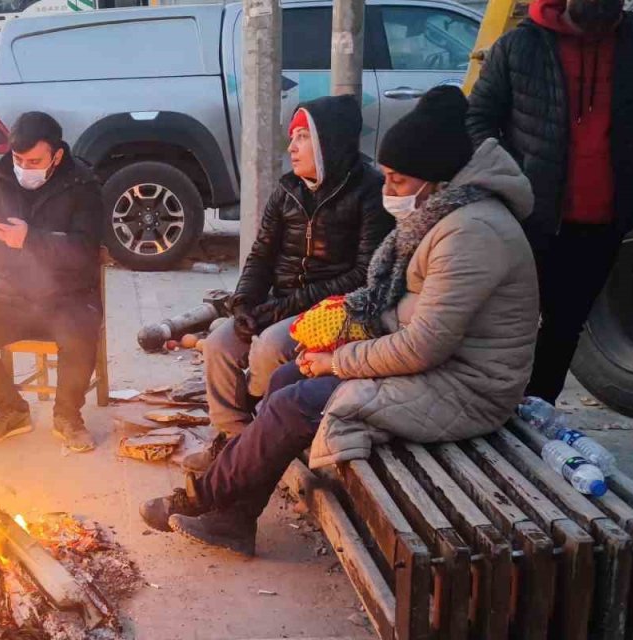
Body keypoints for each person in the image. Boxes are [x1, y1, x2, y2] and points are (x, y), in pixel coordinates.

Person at [140, 87, 539, 556]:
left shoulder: (471, 233)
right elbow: (272, 260)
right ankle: (234, 514)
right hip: (436, 367)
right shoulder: (445, 216)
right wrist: (328, 325)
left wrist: (338, 360)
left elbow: (422, 347)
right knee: (287, 375)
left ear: (438, 180)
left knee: (296, 400)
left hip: (467, 386)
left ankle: (205, 496)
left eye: (398, 182)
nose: (388, 192)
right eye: (386, 179)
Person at [466, 0, 633, 403]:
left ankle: (539, 412)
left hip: (605, 222)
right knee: (511, 323)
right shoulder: (518, 47)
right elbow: (478, 119)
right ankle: (494, 409)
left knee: (566, 325)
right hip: (530, 218)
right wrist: (510, 181)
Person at [206, 95, 391, 439]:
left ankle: (262, 430)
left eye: (303, 137)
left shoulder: (369, 191)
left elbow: (364, 274)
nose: (292, 147)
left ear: (328, 142)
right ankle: (233, 438)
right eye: (292, 137)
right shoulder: (288, 189)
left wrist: (278, 310)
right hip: (282, 303)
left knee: (271, 346)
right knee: (219, 343)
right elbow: (260, 255)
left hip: (332, 311)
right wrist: (245, 303)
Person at [0, 112, 103, 452]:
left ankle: (67, 415)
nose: (24, 168)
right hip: (15, 297)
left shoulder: (83, 184)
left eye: (34, 161)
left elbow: (84, 252)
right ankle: (12, 409)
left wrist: (28, 240)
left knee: (78, 333)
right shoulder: (0, 178)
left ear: (57, 155)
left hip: (71, 295)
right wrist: (43, 246)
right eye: (19, 159)